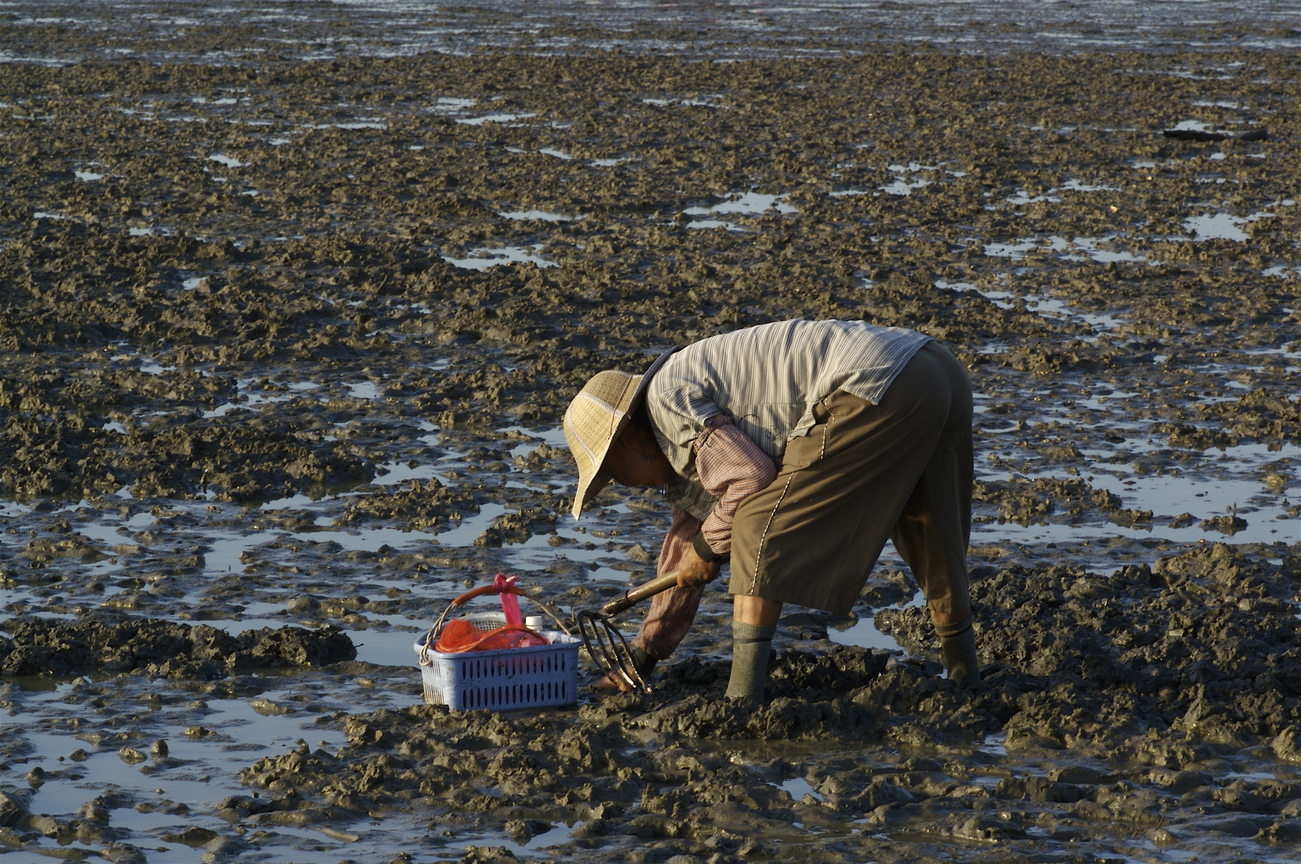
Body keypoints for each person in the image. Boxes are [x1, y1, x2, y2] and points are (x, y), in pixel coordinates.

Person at [562, 318, 978, 700]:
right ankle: (965, 677)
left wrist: (707, 551)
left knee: (759, 524)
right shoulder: (680, 419)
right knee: (929, 525)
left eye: (616, 475)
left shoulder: (667, 405)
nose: (628, 486)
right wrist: (644, 654)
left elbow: (750, 479)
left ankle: (742, 698)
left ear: (628, 441)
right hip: (934, 370)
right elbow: (689, 540)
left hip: (872, 382)